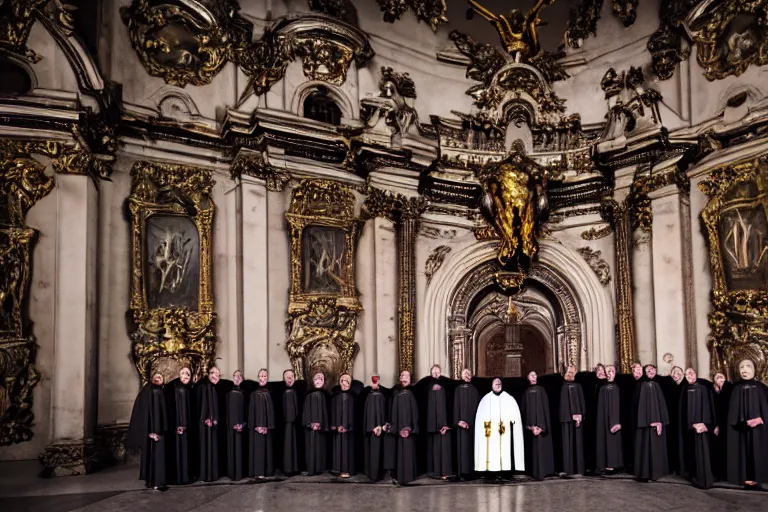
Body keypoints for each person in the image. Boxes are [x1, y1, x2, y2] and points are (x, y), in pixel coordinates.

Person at [727, 359, 768, 488]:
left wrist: (761, 419)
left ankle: (758, 477)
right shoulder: (735, 388)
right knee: (743, 450)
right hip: (742, 429)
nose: (744, 370)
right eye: (741, 367)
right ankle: (745, 476)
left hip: (760, 429)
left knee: (757, 450)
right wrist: (744, 423)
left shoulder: (762, 387)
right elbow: (732, 413)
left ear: (755, 369)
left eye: (748, 366)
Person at [474, 377, 524, 476]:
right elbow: (480, 417)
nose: (497, 384)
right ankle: (491, 473)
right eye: (495, 382)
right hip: (491, 433)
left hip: (503, 431)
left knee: (504, 452)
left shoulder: (508, 398)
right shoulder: (486, 399)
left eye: (499, 382)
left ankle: (505, 472)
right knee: (491, 453)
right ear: (491, 385)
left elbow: (515, 416)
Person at [128, 373, 167, 490]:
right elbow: (143, 414)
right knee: (151, 456)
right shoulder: (149, 392)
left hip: (159, 431)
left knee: (158, 457)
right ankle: (152, 482)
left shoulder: (160, 392)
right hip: (150, 432)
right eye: (156, 376)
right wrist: (150, 432)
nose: (158, 378)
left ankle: (157, 482)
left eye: (161, 377)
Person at [678, 367, 715, 489]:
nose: (689, 375)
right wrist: (688, 425)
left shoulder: (704, 388)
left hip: (702, 427)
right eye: (687, 374)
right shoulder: (684, 389)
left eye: (691, 373)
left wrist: (705, 424)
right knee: (690, 452)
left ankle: (704, 476)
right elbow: (681, 411)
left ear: (696, 374)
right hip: (688, 428)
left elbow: (708, 407)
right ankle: (693, 475)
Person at [634, 364, 669, 481]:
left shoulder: (659, 385)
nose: (650, 371)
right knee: (644, 448)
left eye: (652, 369)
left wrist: (660, 421)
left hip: (657, 422)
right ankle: (644, 473)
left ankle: (656, 473)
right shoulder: (641, 385)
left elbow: (662, 405)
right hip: (644, 423)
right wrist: (647, 421)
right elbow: (638, 406)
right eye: (648, 370)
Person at [522, 371, 554, 480]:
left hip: (542, 427)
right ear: (528, 378)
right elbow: (525, 411)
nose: (534, 377)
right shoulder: (526, 392)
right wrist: (530, 427)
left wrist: (542, 427)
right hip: (531, 428)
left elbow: (545, 410)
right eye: (531, 375)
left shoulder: (541, 390)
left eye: (535, 375)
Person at [390, 370, 419, 485]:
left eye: (407, 376)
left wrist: (410, 428)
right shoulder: (396, 393)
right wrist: (397, 429)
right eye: (402, 375)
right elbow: (394, 413)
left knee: (409, 452)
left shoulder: (414, 393)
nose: (404, 378)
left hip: (410, 429)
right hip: (399, 429)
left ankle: (410, 475)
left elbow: (415, 413)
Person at [425, 364, 452, 479]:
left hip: (444, 421)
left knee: (444, 449)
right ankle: (434, 472)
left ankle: (445, 471)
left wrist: (447, 424)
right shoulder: (426, 385)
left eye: (437, 371)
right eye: (434, 371)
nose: (435, 372)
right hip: (432, 423)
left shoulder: (446, 384)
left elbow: (450, 402)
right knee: (434, 449)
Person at [595, 365, 623, 474]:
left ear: (615, 372)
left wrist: (620, 423)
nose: (609, 373)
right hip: (603, 421)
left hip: (617, 421)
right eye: (607, 371)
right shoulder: (601, 389)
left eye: (612, 370)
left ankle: (616, 465)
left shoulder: (620, 389)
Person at [167, 367, 193, 484]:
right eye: (183, 373)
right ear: (179, 375)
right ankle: (181, 478)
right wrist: (181, 425)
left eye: (188, 373)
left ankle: (184, 477)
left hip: (186, 426)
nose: (186, 375)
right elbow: (179, 410)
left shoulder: (189, 389)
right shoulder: (179, 389)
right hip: (180, 427)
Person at [453, 368, 479, 480]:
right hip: (461, 425)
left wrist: (472, 423)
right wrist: (458, 421)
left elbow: (478, 407)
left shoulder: (474, 389)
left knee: (471, 449)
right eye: (465, 373)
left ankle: (472, 473)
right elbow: (456, 406)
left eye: (469, 373)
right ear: (461, 376)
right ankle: (462, 473)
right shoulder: (458, 389)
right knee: (462, 449)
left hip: (472, 425)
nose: (467, 375)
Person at [249, 368, 275, 478]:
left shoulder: (269, 394)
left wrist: (268, 426)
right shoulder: (254, 394)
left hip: (267, 428)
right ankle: (258, 472)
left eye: (265, 376)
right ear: (258, 377)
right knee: (258, 450)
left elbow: (271, 412)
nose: (263, 378)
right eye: (261, 376)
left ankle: (267, 472)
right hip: (256, 428)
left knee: (267, 450)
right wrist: (256, 426)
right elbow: (251, 411)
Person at [560, 365, 586, 476]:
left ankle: (579, 470)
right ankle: (568, 469)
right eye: (568, 371)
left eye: (572, 371)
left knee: (578, 444)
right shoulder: (563, 387)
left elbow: (581, 401)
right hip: (566, 418)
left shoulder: (578, 386)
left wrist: (580, 415)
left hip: (577, 418)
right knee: (567, 445)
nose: (570, 373)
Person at [196, 366, 220, 482]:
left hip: (211, 424)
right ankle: (207, 475)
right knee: (206, 448)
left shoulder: (212, 388)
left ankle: (210, 474)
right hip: (206, 424)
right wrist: (206, 418)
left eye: (218, 374)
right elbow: (203, 404)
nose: (216, 376)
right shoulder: (205, 387)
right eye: (213, 373)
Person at [303, 372, 330, 475]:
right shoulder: (308, 395)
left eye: (321, 379)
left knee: (320, 448)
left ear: (324, 382)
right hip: (310, 428)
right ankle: (310, 467)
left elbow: (327, 412)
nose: (318, 381)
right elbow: (305, 412)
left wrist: (322, 424)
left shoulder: (327, 396)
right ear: (313, 381)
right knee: (310, 447)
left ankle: (320, 468)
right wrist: (310, 424)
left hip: (321, 428)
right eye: (316, 379)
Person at [363, 375, 388, 482]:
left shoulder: (382, 396)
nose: (375, 384)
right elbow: (366, 415)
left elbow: (383, 413)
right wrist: (370, 428)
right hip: (370, 431)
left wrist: (381, 427)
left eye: (376, 382)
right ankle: (371, 474)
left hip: (380, 430)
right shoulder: (368, 396)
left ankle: (378, 474)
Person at [331, 373, 355, 478]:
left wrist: (348, 427)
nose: (344, 383)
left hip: (348, 430)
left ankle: (347, 469)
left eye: (346, 381)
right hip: (338, 429)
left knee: (347, 449)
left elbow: (355, 414)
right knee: (338, 448)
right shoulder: (335, 397)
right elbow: (332, 413)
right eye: (342, 381)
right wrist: (336, 426)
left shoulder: (353, 397)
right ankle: (338, 469)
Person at [227, 370, 246, 481]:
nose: (238, 378)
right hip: (230, 427)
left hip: (242, 427)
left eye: (240, 376)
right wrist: (231, 425)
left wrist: (242, 425)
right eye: (235, 376)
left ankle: (240, 474)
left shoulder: (245, 393)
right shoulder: (228, 393)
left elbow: (247, 411)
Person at [711, 372, 731, 480]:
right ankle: (719, 474)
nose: (719, 377)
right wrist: (716, 425)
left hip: (729, 424)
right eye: (717, 376)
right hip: (717, 425)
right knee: (718, 450)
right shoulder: (712, 392)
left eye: (721, 376)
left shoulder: (730, 388)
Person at [281, 369, 300, 475]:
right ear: (284, 379)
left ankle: (295, 467)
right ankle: (288, 468)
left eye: (292, 376)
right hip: (287, 423)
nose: (290, 378)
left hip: (294, 423)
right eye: (287, 376)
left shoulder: (296, 392)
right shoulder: (285, 392)